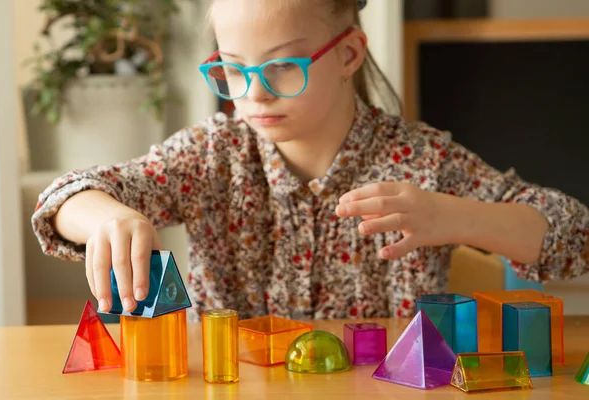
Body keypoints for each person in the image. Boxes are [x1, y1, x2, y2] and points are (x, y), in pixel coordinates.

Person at [32, 0, 589, 321]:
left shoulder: (422, 159)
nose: (253, 94)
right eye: (231, 68)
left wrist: (452, 217)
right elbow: (64, 197)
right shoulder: (213, 154)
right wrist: (107, 215)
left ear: (348, 54)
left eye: (280, 67)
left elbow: (574, 237)